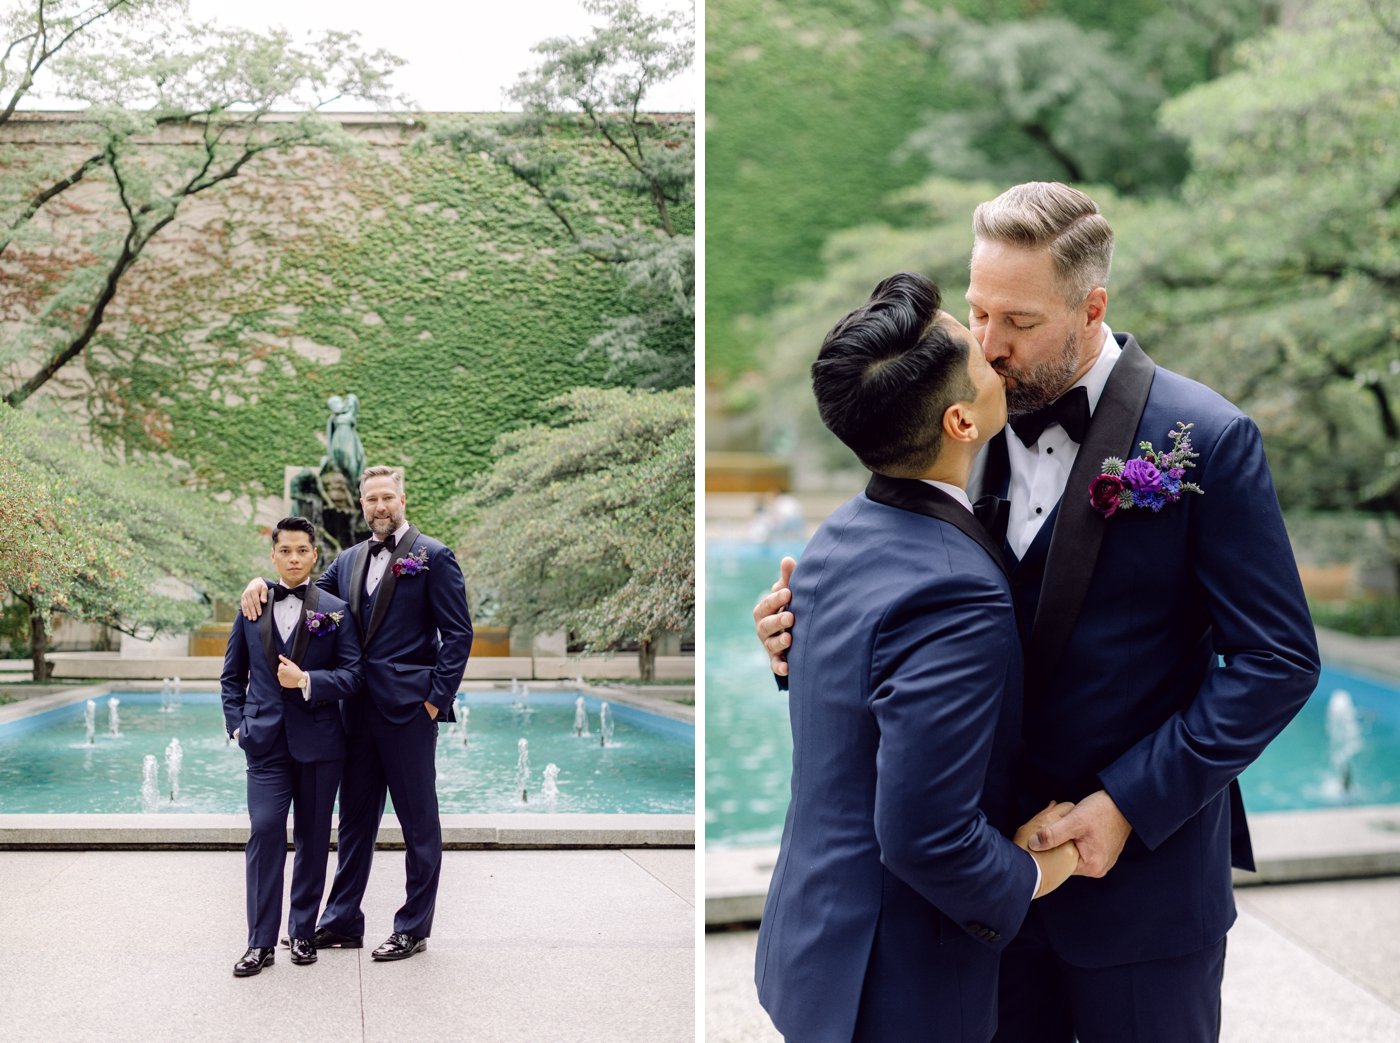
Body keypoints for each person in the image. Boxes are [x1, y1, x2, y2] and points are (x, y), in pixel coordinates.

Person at [753, 182, 1321, 1041]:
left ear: (1091, 308)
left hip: (1142, 901)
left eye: (1017, 322)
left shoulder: (1206, 438)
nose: (989, 345)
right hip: (971, 902)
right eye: (979, 313)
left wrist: (1124, 803)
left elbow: (1279, 660)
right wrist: (802, 635)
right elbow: (908, 601)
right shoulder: (952, 414)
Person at [753, 272, 1080, 1043]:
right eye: (977, 348)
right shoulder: (954, 589)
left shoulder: (834, 535)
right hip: (898, 988)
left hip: (812, 945)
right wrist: (1040, 871)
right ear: (961, 420)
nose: (995, 351)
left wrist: (783, 661)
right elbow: (923, 835)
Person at [241, 465, 474, 962]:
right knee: (354, 822)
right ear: (362, 506)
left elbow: (458, 635)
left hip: (410, 710)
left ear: (403, 498)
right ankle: (342, 920)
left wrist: (436, 700)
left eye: (387, 497)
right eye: (371, 499)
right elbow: (300, 586)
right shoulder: (346, 560)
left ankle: (413, 927)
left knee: (418, 823)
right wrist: (257, 582)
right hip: (353, 713)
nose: (379, 506)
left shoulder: (433, 557)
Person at [221, 516, 363, 977]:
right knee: (264, 832)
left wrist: (306, 680)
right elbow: (231, 676)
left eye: (303, 550)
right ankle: (259, 943)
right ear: (274, 555)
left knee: (312, 839)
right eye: (286, 551)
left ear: (314, 554)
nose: (295, 558)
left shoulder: (335, 609)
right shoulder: (252, 605)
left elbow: (353, 676)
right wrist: (237, 725)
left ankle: (301, 933)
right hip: (263, 742)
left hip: (321, 744)